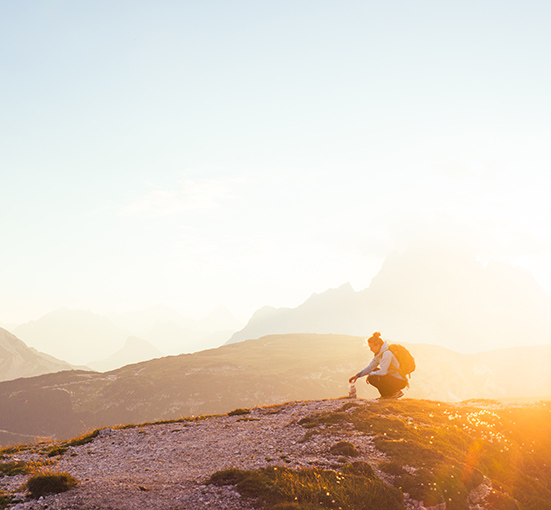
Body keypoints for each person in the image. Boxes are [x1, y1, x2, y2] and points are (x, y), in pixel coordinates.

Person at [349, 331, 407, 399]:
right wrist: (357, 375)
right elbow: (370, 367)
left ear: (378, 345)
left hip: (399, 380)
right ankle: (387, 395)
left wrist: (371, 374)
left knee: (372, 377)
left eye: (372, 347)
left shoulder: (386, 353)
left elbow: (383, 372)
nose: (370, 349)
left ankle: (393, 393)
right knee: (374, 371)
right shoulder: (379, 355)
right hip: (392, 378)